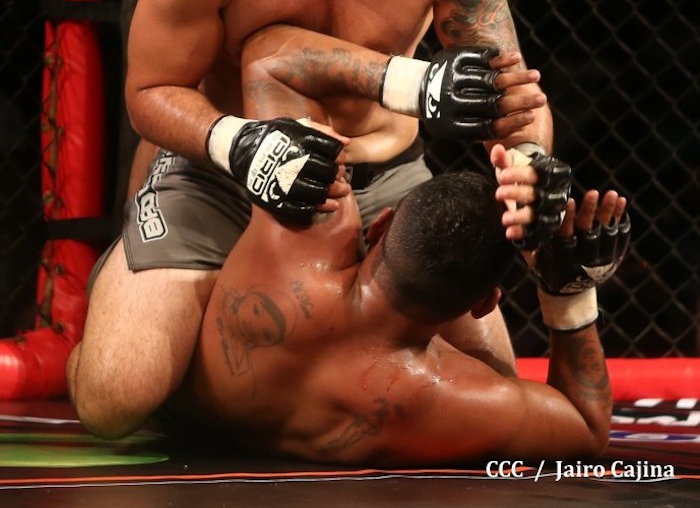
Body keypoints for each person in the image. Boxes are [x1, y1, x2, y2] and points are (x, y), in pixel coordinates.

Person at [67, 0, 557, 439]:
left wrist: (528, 165)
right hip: (221, 176)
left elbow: (511, 98)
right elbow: (148, 94)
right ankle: (129, 293)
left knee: (493, 388)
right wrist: (239, 144)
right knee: (116, 399)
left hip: (382, 184)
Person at [162, 39, 628, 464]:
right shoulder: (459, 396)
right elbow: (587, 428)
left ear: (379, 224)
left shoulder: (303, 233)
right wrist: (568, 292)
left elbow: (271, 60)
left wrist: (421, 85)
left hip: (193, 421)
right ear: (484, 305)